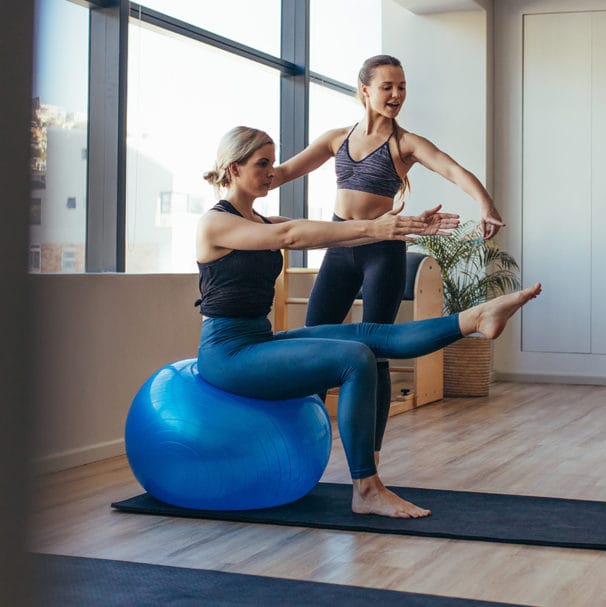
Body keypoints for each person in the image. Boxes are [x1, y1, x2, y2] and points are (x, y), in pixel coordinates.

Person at [196, 126, 541, 518]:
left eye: (273, 162)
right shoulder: (215, 223)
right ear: (234, 167)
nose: (272, 172)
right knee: (354, 358)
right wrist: (375, 227)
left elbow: (334, 236)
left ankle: (475, 318)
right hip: (227, 353)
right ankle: (366, 488)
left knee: (369, 336)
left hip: (259, 340)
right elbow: (292, 236)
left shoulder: (260, 219)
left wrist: (402, 228)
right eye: (262, 164)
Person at [269, 54, 504, 456]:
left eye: (401, 87)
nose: (396, 94)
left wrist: (485, 204)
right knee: (314, 343)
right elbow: (283, 173)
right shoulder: (336, 138)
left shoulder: (404, 143)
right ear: (365, 90)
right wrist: (235, 175)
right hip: (341, 248)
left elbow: (453, 170)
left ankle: (370, 456)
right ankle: (298, 444)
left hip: (383, 253)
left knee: (375, 350)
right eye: (387, 87)